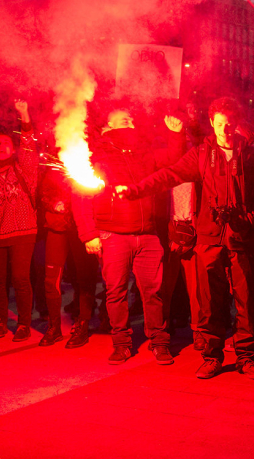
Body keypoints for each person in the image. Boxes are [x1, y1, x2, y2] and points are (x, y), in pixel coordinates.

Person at [116, 97, 254, 380]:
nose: (226, 129)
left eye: (230, 124)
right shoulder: (202, 154)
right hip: (209, 237)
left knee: (246, 299)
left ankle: (246, 357)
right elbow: (170, 174)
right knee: (209, 301)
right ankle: (212, 356)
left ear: (237, 124)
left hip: (241, 237)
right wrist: (136, 190)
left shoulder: (251, 155)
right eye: (221, 123)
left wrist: (251, 219)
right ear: (212, 123)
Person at [74, 108, 184, 365]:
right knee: (115, 292)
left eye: (132, 119)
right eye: (124, 119)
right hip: (113, 236)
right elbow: (80, 198)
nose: (130, 122)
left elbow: (174, 160)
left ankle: (159, 341)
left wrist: (177, 135)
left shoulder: (145, 155)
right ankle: (121, 343)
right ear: (108, 127)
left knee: (153, 292)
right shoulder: (96, 157)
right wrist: (88, 233)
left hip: (147, 235)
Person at [0, 100, 38, 342]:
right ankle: (1, 322)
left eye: (5, 143)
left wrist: (24, 113)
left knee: (20, 279)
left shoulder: (23, 167)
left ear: (13, 149)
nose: (0, 145)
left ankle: (24, 323)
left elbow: (27, 143)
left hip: (23, 232)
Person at [39, 167, 98, 348]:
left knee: (84, 277)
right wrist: (54, 203)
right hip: (57, 226)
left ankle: (83, 323)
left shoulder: (86, 162)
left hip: (81, 228)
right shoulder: (54, 169)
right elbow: (44, 192)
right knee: (51, 279)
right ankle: (54, 326)